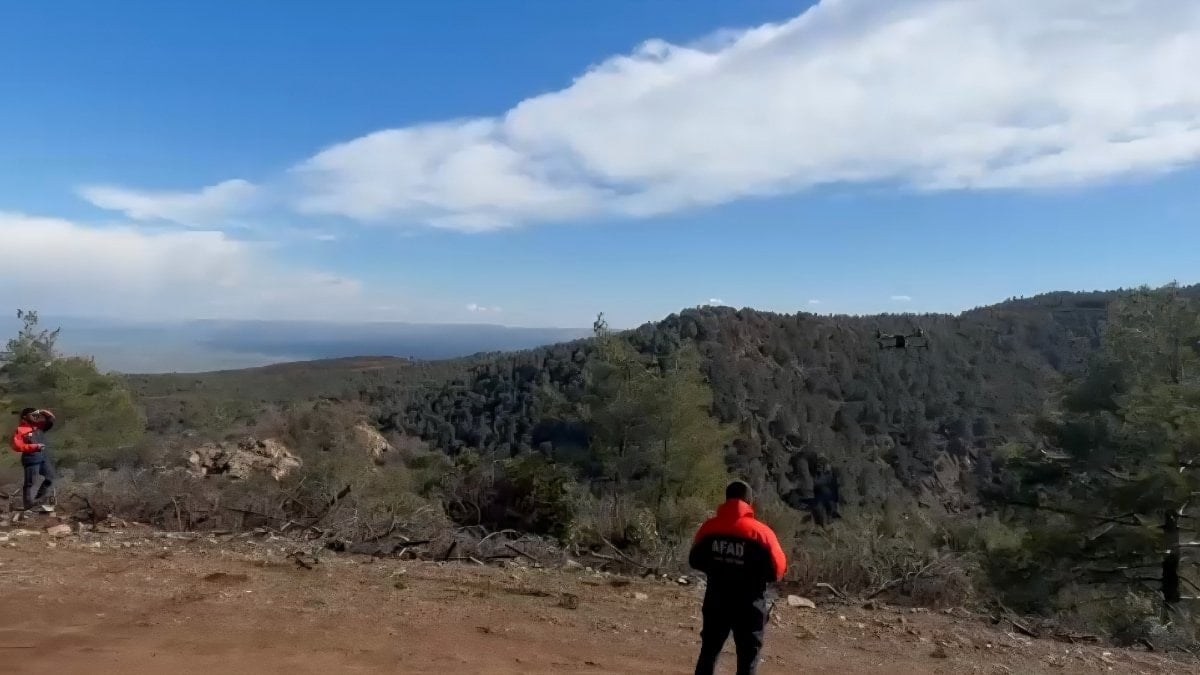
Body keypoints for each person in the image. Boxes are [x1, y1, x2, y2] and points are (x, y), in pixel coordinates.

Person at [689, 480, 787, 675]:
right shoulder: (762, 533)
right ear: (749, 502)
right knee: (747, 660)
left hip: (716, 600)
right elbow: (778, 571)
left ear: (727, 499)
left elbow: (695, 559)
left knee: (709, 652)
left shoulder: (709, 528)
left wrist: (719, 566)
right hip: (750, 606)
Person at [9, 408, 58, 513]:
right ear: (24, 417)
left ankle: (38, 500)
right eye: (32, 415)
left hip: (42, 457)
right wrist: (34, 447)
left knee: (50, 478)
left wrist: (43, 412)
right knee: (30, 483)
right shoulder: (20, 429)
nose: (35, 416)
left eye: (36, 415)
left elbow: (51, 420)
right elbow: (17, 446)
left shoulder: (38, 426)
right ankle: (28, 506)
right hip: (31, 458)